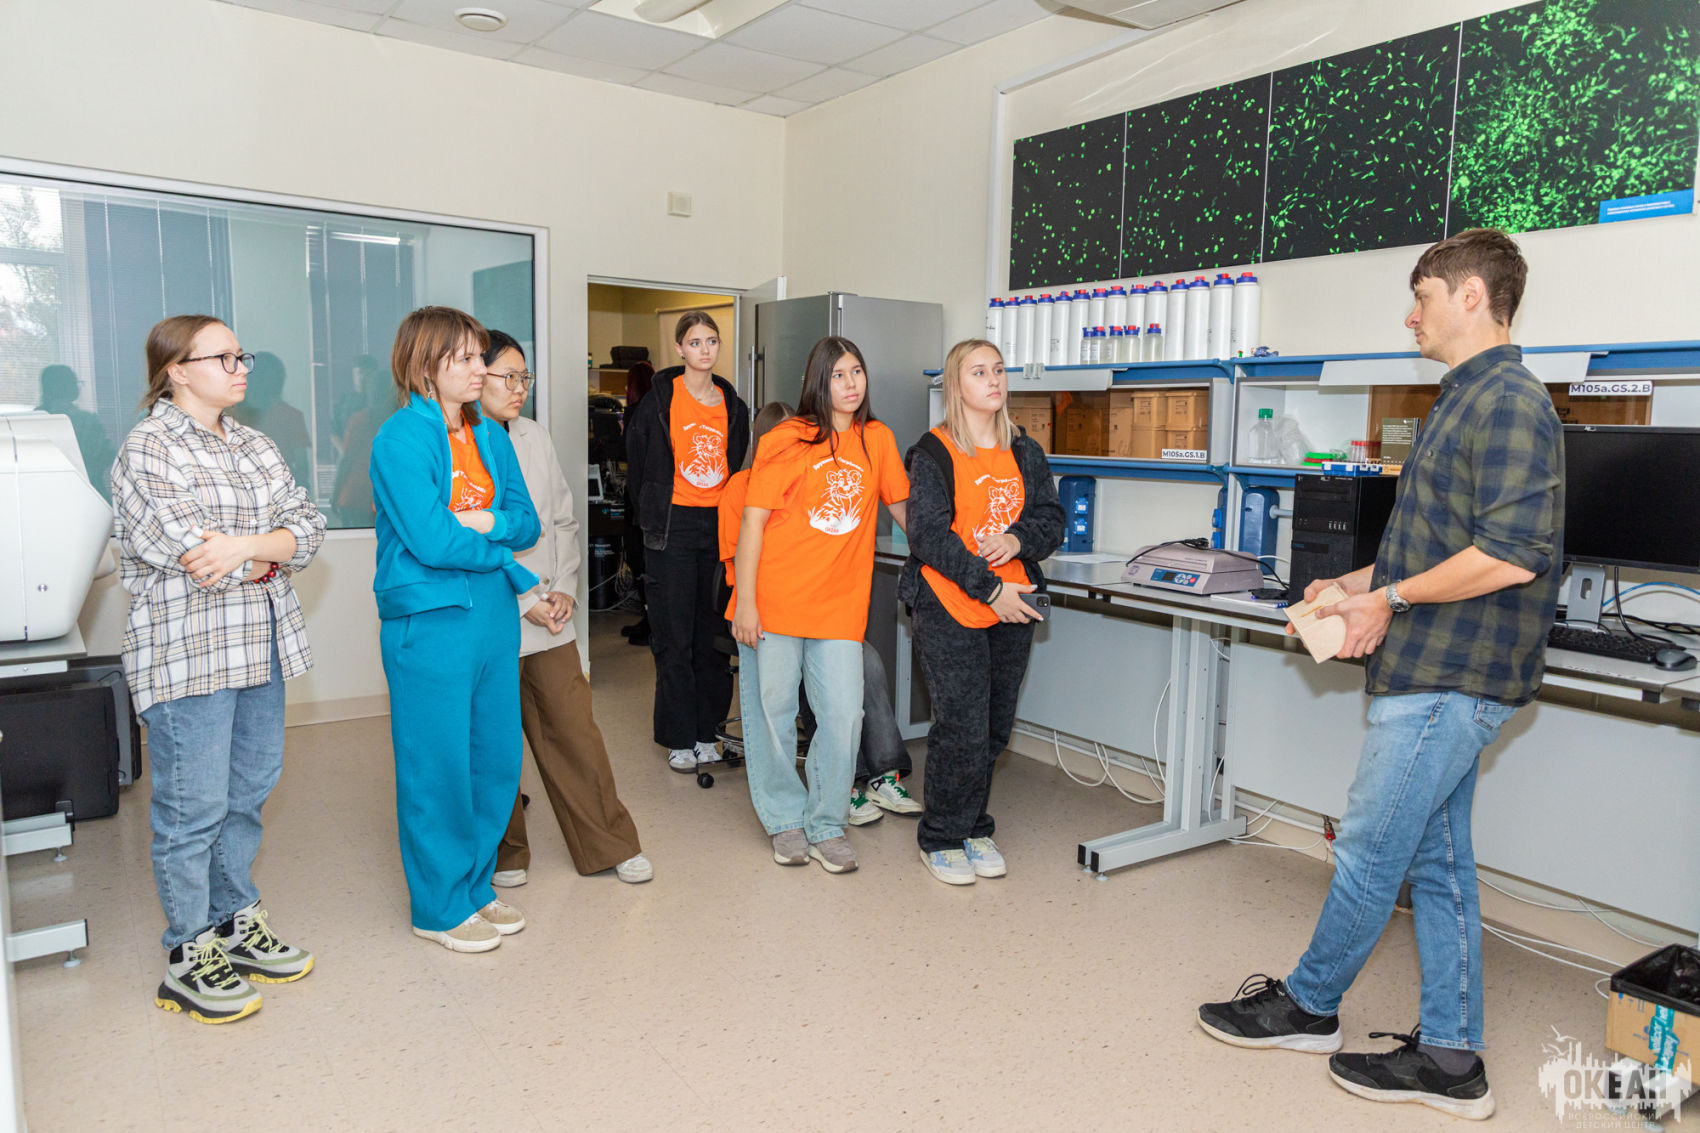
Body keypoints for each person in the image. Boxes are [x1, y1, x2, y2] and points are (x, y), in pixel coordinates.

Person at [1196, 229, 1563, 1121]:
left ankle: (1308, 1004)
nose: (1411, 315)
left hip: (1452, 672)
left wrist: (1389, 599)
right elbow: (1432, 544)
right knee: (1437, 860)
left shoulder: (1510, 402)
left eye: (1423, 296)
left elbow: (1512, 552)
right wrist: (1353, 586)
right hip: (1433, 665)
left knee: (1368, 845)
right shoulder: (1460, 399)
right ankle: (1451, 1056)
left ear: (1472, 295)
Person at [111, 315, 326, 1024]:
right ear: (176, 369)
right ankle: (188, 951)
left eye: (242, 356)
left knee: (247, 794)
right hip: (188, 655)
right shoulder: (149, 447)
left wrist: (247, 548)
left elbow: (309, 528)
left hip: (261, 647)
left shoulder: (255, 444)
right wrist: (264, 552)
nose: (241, 368)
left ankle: (235, 921)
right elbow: (194, 553)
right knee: (192, 808)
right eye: (224, 357)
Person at [370, 306, 542, 954]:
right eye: (466, 358)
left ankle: (474, 886)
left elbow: (526, 522)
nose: (480, 369)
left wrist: (486, 525)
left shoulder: (490, 435)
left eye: (479, 356)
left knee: (494, 759)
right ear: (425, 364)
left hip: (492, 615)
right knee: (437, 764)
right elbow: (431, 539)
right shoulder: (399, 439)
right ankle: (438, 906)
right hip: (431, 617)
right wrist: (496, 547)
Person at [473, 330, 652, 888]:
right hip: (496, 614)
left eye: (524, 376)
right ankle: (506, 852)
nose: (519, 387)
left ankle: (608, 841)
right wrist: (526, 599)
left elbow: (564, 522)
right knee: (493, 741)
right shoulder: (457, 444)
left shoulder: (535, 436)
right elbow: (471, 539)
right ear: (475, 377)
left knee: (575, 731)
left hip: (551, 613)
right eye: (508, 376)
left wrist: (567, 589)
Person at [730, 337, 909, 874]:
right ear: (818, 382)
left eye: (857, 372)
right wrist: (746, 603)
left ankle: (827, 821)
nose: (851, 384)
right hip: (775, 601)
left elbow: (907, 512)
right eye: (838, 375)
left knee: (844, 716)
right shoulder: (787, 439)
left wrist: (965, 559)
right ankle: (785, 818)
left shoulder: (878, 439)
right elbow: (752, 523)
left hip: (838, 607)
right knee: (774, 714)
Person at [897, 339, 1064, 885]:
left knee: (993, 728)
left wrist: (1017, 540)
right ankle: (941, 836)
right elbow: (929, 536)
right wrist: (988, 588)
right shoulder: (934, 452)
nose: (993, 380)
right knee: (961, 726)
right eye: (978, 372)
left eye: (998, 370)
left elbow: (1051, 520)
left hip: (1014, 605)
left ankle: (972, 825)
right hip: (952, 603)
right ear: (956, 385)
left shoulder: (1025, 451)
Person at [625, 312, 750, 772]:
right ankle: (679, 737)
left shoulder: (732, 405)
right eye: (694, 342)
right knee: (674, 637)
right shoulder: (660, 400)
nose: (704, 350)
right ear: (679, 348)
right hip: (671, 528)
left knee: (712, 637)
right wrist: (651, 515)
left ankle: (707, 732)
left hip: (717, 529)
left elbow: (736, 464)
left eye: (711, 341)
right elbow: (638, 466)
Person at [37, 363, 116, 500]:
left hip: (44, 493)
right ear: (71, 388)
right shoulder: (87, 421)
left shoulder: (34, 420)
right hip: (88, 492)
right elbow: (107, 455)